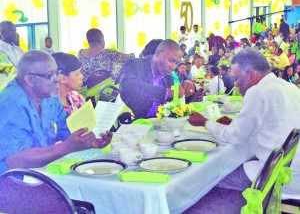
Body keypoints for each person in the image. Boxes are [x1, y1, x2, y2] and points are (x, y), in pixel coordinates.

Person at [188, 48, 300, 200]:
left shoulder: (259, 91)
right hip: (292, 171)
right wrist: (235, 123)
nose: (235, 84)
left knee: (210, 177)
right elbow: (271, 123)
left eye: (237, 78)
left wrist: (205, 122)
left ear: (252, 74)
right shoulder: (289, 87)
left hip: (279, 177)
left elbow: (235, 137)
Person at [0, 50, 112, 174]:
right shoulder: (11, 103)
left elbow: (66, 132)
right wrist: (67, 147)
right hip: (13, 183)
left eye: (57, 72)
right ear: (30, 79)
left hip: (43, 172)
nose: (57, 78)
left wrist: (88, 142)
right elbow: (15, 160)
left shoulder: (50, 99)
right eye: (50, 75)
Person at [118, 39, 195, 119]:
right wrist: (165, 93)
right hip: (136, 123)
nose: (173, 67)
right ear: (157, 54)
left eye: (176, 63)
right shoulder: (135, 64)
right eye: (171, 61)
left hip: (161, 124)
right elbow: (127, 86)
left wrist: (188, 85)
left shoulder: (168, 76)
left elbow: (176, 100)